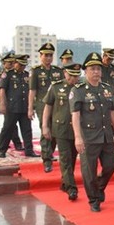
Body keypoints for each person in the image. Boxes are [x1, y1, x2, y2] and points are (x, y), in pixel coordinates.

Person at [70, 52, 114, 213]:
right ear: (85, 71)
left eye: (98, 68)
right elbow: (75, 115)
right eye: (92, 69)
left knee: (111, 164)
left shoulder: (107, 89)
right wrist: (78, 137)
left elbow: (113, 112)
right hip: (89, 137)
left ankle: (99, 187)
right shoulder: (78, 90)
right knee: (89, 170)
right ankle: (93, 199)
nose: (96, 72)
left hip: (106, 135)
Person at [42, 63, 82, 201]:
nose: (74, 78)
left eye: (76, 75)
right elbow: (47, 107)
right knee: (65, 158)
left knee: (71, 158)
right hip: (60, 129)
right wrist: (44, 126)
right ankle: (72, 189)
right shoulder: (56, 87)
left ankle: (65, 183)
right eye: (71, 75)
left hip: (76, 129)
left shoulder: (82, 88)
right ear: (65, 73)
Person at [29, 42, 64, 173]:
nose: (48, 58)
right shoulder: (36, 71)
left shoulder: (57, 71)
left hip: (57, 106)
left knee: (55, 131)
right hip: (42, 105)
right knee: (45, 130)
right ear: (40, 56)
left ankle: (49, 154)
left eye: (50, 55)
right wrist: (30, 107)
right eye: (46, 55)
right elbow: (32, 91)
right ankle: (46, 160)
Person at [0, 55, 39, 158]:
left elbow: (31, 90)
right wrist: (2, 104)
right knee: (7, 129)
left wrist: (31, 107)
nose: (22, 67)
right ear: (15, 63)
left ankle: (29, 150)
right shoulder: (7, 74)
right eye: (20, 64)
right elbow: (2, 90)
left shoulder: (26, 75)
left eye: (24, 65)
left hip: (24, 107)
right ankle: (2, 150)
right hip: (12, 107)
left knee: (27, 130)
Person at [0, 52, 23, 151]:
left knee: (9, 125)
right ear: (4, 63)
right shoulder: (1, 76)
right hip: (7, 103)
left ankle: (0, 141)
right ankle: (16, 143)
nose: (11, 64)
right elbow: (0, 91)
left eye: (13, 62)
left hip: (16, 104)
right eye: (9, 63)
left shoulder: (17, 74)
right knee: (9, 125)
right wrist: (1, 104)